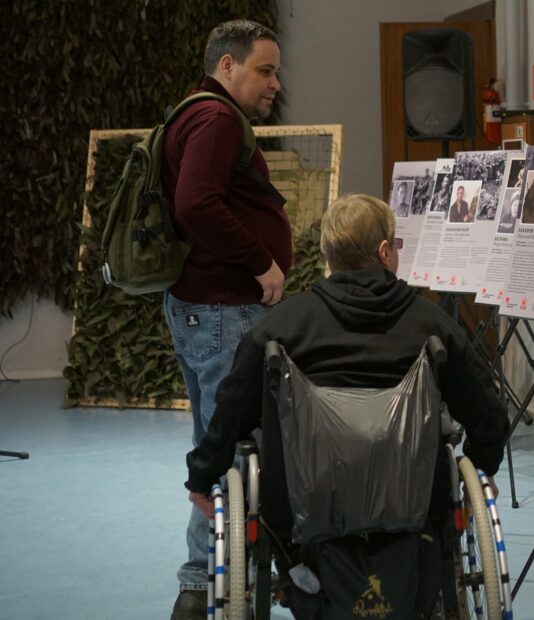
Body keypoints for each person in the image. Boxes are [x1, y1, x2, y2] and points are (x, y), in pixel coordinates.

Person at [184, 194, 509, 617]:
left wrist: (202, 476)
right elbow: (488, 415)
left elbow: (229, 413)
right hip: (415, 517)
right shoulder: (432, 327)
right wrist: (481, 466)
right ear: (384, 252)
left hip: (301, 523)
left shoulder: (282, 328)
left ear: (328, 256)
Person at [162, 20, 291, 619]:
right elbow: (195, 204)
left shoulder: (196, 113)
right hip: (223, 311)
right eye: (265, 70)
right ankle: (213, 583)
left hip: (206, 309)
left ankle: (203, 579)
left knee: (215, 444)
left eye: (277, 71)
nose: (274, 83)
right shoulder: (216, 119)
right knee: (233, 452)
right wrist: (262, 261)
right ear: (227, 66)